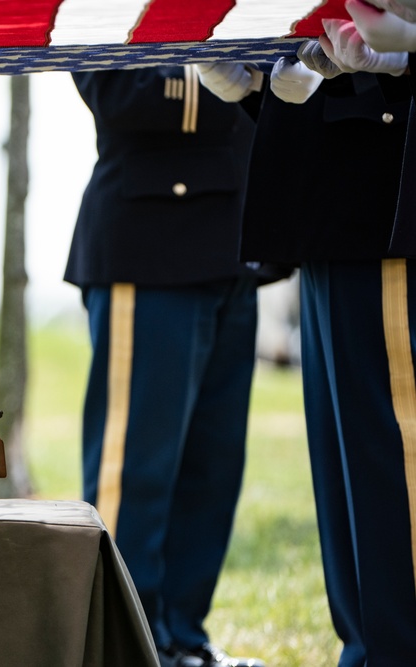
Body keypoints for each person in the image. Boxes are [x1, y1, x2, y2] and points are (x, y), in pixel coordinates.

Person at [199, 37, 416, 665]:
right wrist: (255, 87)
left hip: (387, 193)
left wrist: (396, 58)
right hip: (332, 199)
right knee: (347, 468)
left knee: (392, 457)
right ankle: (373, 648)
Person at [66, 65, 282, 667]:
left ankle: (181, 637)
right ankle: (120, 644)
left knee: (211, 467)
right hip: (150, 235)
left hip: (234, 240)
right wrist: (241, 77)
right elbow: (118, 95)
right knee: (136, 467)